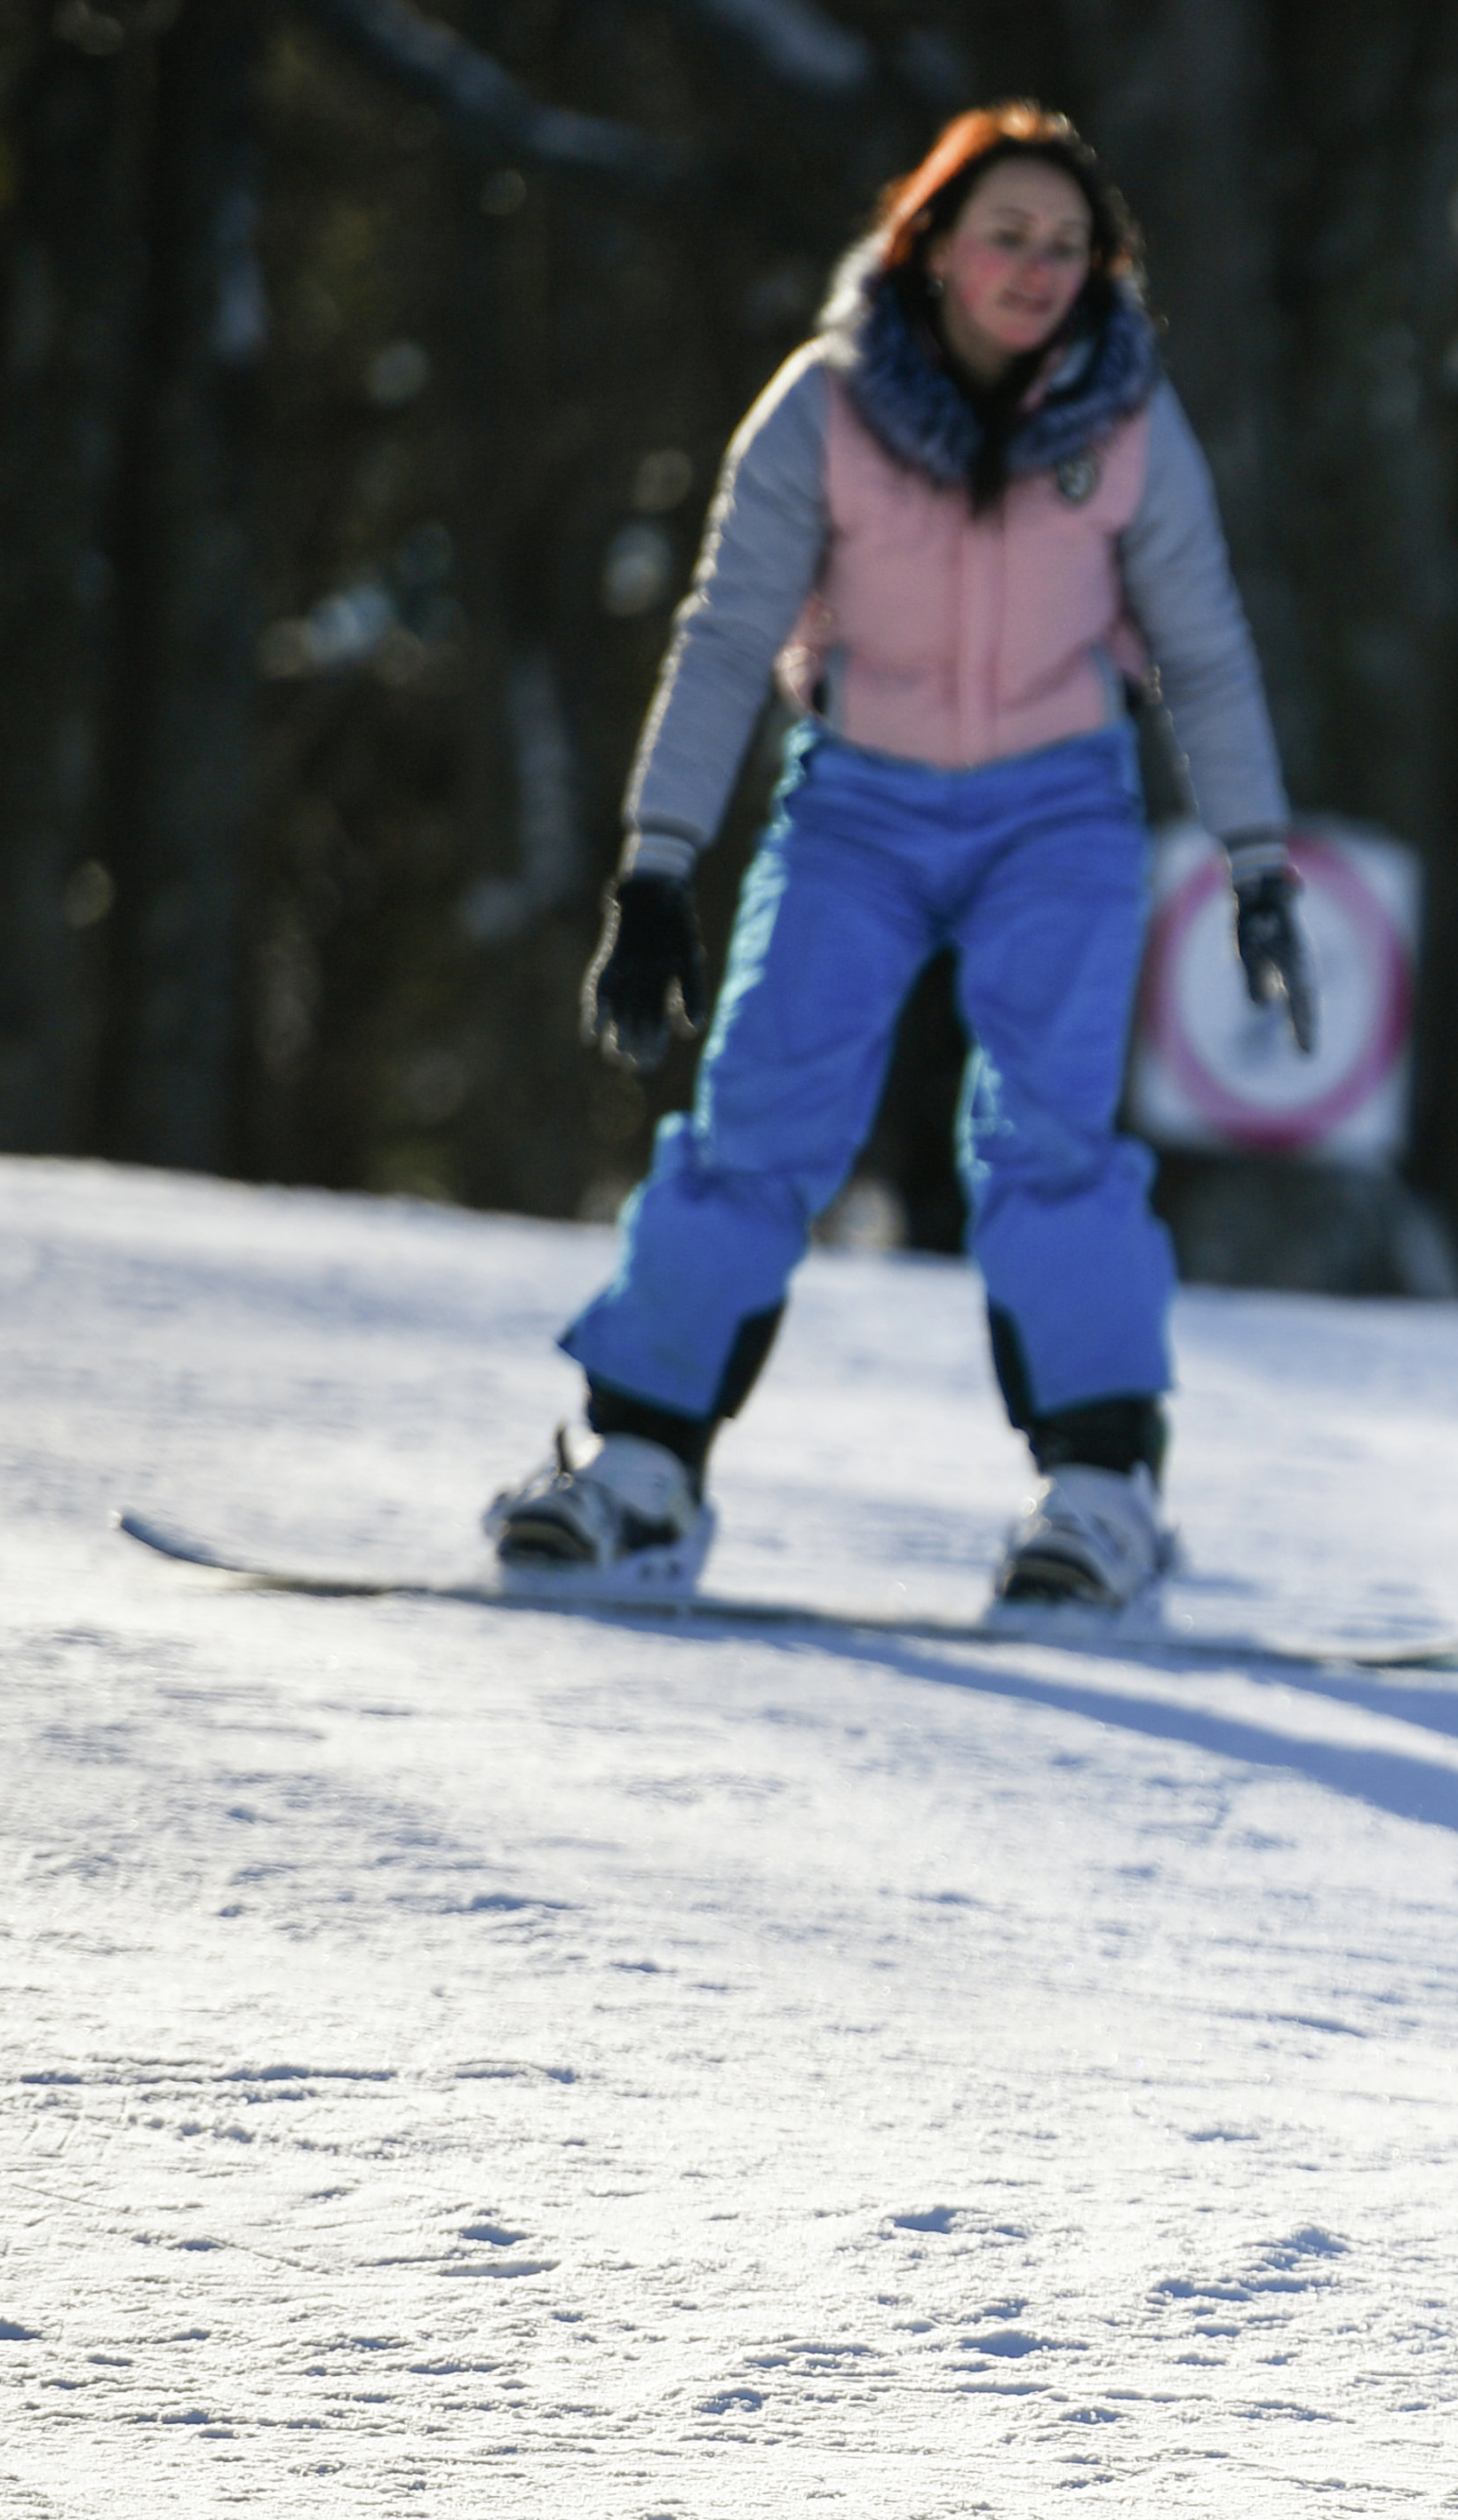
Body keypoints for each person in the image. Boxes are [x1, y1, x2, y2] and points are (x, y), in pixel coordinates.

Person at [498, 103, 1311, 1611]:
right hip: (856, 806)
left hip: (1060, 812)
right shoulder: (826, 402)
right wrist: (657, 867)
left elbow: (1200, 648)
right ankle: (643, 1470)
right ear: (928, 242)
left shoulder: (1126, 420)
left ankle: (1099, 1495)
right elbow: (730, 628)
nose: (1036, 266)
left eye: (1068, 244)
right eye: (1005, 233)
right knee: (757, 1121)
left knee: (1052, 1145)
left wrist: (1258, 863)